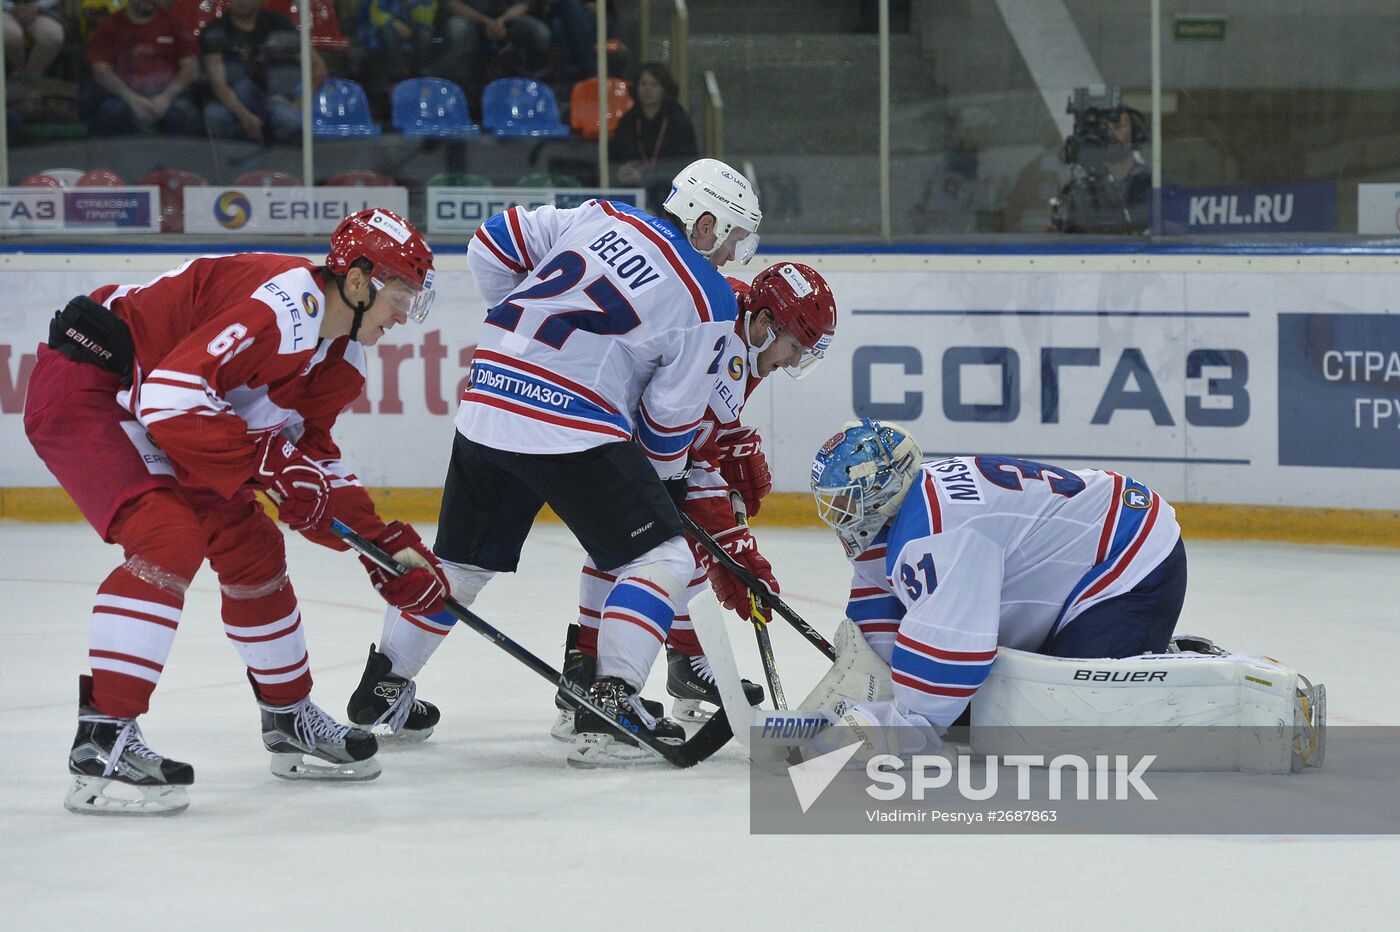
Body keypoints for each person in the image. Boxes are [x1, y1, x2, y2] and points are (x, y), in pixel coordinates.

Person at [23, 208, 449, 815]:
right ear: (356, 282)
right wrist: (271, 465)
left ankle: (288, 717)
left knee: (253, 546)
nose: (405, 315)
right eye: (400, 294)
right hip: (95, 384)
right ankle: (102, 743)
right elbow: (172, 394)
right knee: (166, 538)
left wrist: (381, 547)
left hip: (165, 411)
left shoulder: (341, 361)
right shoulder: (284, 303)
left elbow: (312, 461)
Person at [345, 157, 763, 767]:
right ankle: (611, 704)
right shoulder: (709, 295)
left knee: (461, 561)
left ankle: (383, 685)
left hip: (487, 394)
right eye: (732, 238)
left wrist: (523, 337)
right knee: (661, 556)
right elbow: (668, 423)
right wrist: (663, 490)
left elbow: (490, 243)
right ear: (704, 222)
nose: (731, 255)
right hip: (571, 423)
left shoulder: (598, 215)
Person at [557, 262, 837, 735]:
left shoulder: (745, 337)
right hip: (602, 429)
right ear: (767, 324)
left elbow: (698, 435)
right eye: (794, 347)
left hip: (621, 433)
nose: (792, 361)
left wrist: (729, 449)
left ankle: (624, 668)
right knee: (640, 546)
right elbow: (688, 447)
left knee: (652, 544)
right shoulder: (722, 336)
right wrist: (736, 550)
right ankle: (591, 675)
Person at [806, 419, 1186, 755]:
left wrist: (897, 727)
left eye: (847, 502)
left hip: (1130, 557)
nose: (839, 515)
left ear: (885, 488)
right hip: (1082, 556)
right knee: (980, 713)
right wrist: (882, 682)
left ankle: (1167, 659)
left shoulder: (943, 528)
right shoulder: (899, 513)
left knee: (1061, 728)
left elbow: (954, 652)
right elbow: (879, 599)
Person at [201, 0, 326, 143]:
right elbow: (219, 86)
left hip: (274, 99)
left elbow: (318, 69)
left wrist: (297, 105)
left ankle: (283, 164)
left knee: (288, 121)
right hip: (231, 102)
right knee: (214, 116)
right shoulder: (215, 31)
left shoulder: (279, 25)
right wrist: (246, 117)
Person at [84, 0, 202, 136]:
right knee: (110, 113)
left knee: (184, 114)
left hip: (170, 97)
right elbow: (100, 70)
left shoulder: (174, 23)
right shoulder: (109, 26)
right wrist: (132, 99)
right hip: (122, 97)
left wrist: (165, 99)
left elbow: (190, 68)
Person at [613, 62, 698, 211]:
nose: (648, 90)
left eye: (654, 84)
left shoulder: (678, 120)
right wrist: (623, 170)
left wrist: (650, 176)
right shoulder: (629, 120)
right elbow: (616, 155)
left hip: (669, 190)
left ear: (665, 88)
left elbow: (686, 162)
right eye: (643, 84)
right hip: (633, 190)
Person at [442, 0, 551, 84]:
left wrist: (502, 21)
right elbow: (453, 4)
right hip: (472, 17)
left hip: (508, 18)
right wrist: (485, 21)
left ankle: (533, 86)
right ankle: (460, 89)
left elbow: (523, 4)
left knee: (540, 33)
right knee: (456, 28)